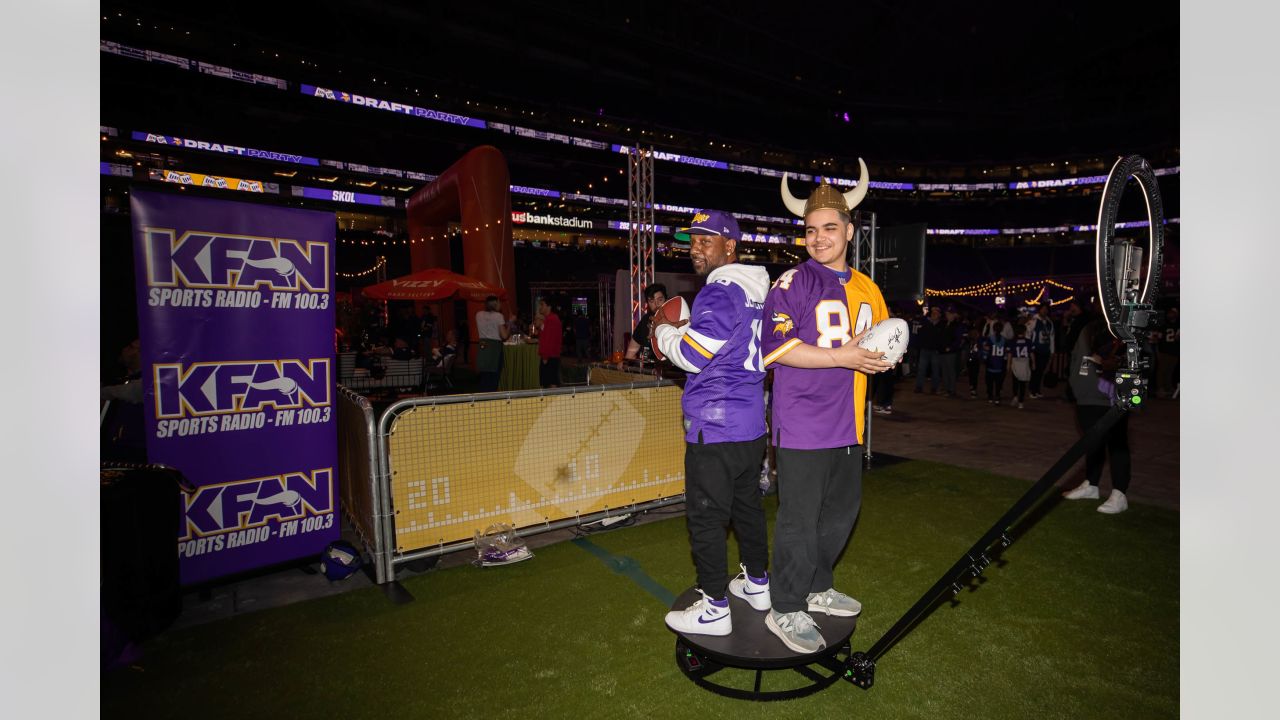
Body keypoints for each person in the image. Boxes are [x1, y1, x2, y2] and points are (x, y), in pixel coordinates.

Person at [760, 166, 894, 654]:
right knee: (799, 518)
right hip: (802, 421)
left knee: (841, 513)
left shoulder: (868, 288)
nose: (818, 238)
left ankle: (817, 586)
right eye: (811, 229)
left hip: (848, 421)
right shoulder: (792, 282)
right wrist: (843, 356)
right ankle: (786, 606)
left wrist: (881, 358)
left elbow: (878, 343)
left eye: (829, 228)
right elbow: (775, 351)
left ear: (849, 231)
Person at [654, 209, 773, 638]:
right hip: (750, 425)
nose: (696, 249)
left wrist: (664, 334)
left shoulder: (721, 292)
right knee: (747, 508)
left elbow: (692, 355)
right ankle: (758, 583)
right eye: (694, 240)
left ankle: (714, 608)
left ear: (730, 246)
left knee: (706, 518)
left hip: (715, 424)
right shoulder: (759, 288)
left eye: (707, 240)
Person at [1061, 318, 1132, 514]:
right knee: (1092, 442)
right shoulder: (1090, 325)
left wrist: (1111, 365)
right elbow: (1077, 356)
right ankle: (1091, 484)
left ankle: (1119, 493)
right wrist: (1075, 385)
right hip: (1085, 396)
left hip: (1108, 395)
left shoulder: (1121, 325)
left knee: (1116, 443)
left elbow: (1130, 357)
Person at [624, 283, 667, 364]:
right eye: (652, 301)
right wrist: (625, 363)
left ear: (666, 299)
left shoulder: (674, 318)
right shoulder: (645, 320)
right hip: (648, 371)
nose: (656, 304)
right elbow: (632, 349)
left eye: (660, 300)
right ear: (647, 303)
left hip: (669, 372)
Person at [475, 295, 508, 392]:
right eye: (499, 302)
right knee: (494, 377)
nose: (500, 304)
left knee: (484, 376)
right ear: (495, 304)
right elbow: (504, 336)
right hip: (494, 347)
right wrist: (510, 323)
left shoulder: (478, 314)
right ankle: (491, 400)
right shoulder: (499, 316)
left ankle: (482, 399)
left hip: (483, 346)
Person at [1027, 301, 1055, 398]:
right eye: (1043, 309)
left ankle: (1037, 389)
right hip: (1036, 350)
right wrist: (1030, 348)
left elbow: (1052, 337)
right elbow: (1028, 334)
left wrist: (1052, 351)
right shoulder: (1034, 320)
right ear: (1040, 309)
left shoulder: (1049, 322)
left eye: (1046, 309)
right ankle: (1032, 390)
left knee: (1041, 371)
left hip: (1045, 350)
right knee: (1035, 370)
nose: (1045, 311)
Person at [913, 305, 943, 394]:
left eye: (936, 313)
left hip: (935, 351)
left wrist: (939, 348)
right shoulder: (925, 322)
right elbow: (919, 334)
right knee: (921, 369)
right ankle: (919, 387)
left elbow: (942, 338)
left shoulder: (941, 324)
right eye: (933, 312)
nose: (934, 314)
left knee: (935, 370)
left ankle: (934, 388)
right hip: (924, 349)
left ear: (939, 314)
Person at [536, 297, 562, 388]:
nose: (540, 307)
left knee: (551, 383)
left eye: (542, 304)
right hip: (549, 356)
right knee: (548, 383)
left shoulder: (552, 319)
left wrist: (545, 356)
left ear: (549, 306)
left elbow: (550, 340)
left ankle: (553, 401)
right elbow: (544, 336)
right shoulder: (548, 319)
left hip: (550, 356)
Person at [982, 321, 1008, 405]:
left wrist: (985, 358)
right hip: (1000, 365)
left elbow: (985, 351)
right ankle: (997, 396)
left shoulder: (990, 339)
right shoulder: (1004, 340)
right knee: (998, 383)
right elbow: (1006, 354)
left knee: (989, 382)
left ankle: (990, 396)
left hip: (991, 363)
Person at [1009, 323, 1034, 409]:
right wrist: (1034, 363)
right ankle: (1021, 402)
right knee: (1022, 383)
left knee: (1015, 382)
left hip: (1015, 362)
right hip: (1024, 363)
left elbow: (1010, 354)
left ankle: (1015, 396)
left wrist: (1008, 364)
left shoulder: (1013, 341)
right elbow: (1031, 353)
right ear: (1023, 332)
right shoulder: (1028, 341)